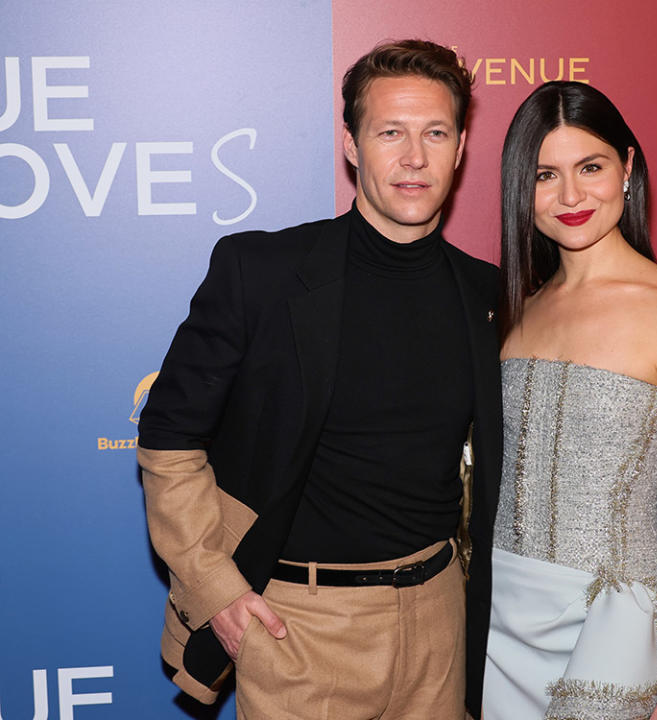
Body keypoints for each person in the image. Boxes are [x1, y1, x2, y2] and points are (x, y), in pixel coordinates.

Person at [138, 39, 502, 720]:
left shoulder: (489, 297)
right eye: (390, 132)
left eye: (435, 133)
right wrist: (219, 590)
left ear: (460, 149)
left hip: (439, 625)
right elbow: (167, 440)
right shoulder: (263, 274)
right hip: (298, 630)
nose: (414, 156)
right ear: (352, 145)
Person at [483, 81, 657, 719]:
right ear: (518, 187)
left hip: (620, 616)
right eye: (544, 175)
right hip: (500, 618)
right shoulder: (515, 311)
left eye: (590, 167)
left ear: (628, 168)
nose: (570, 197)